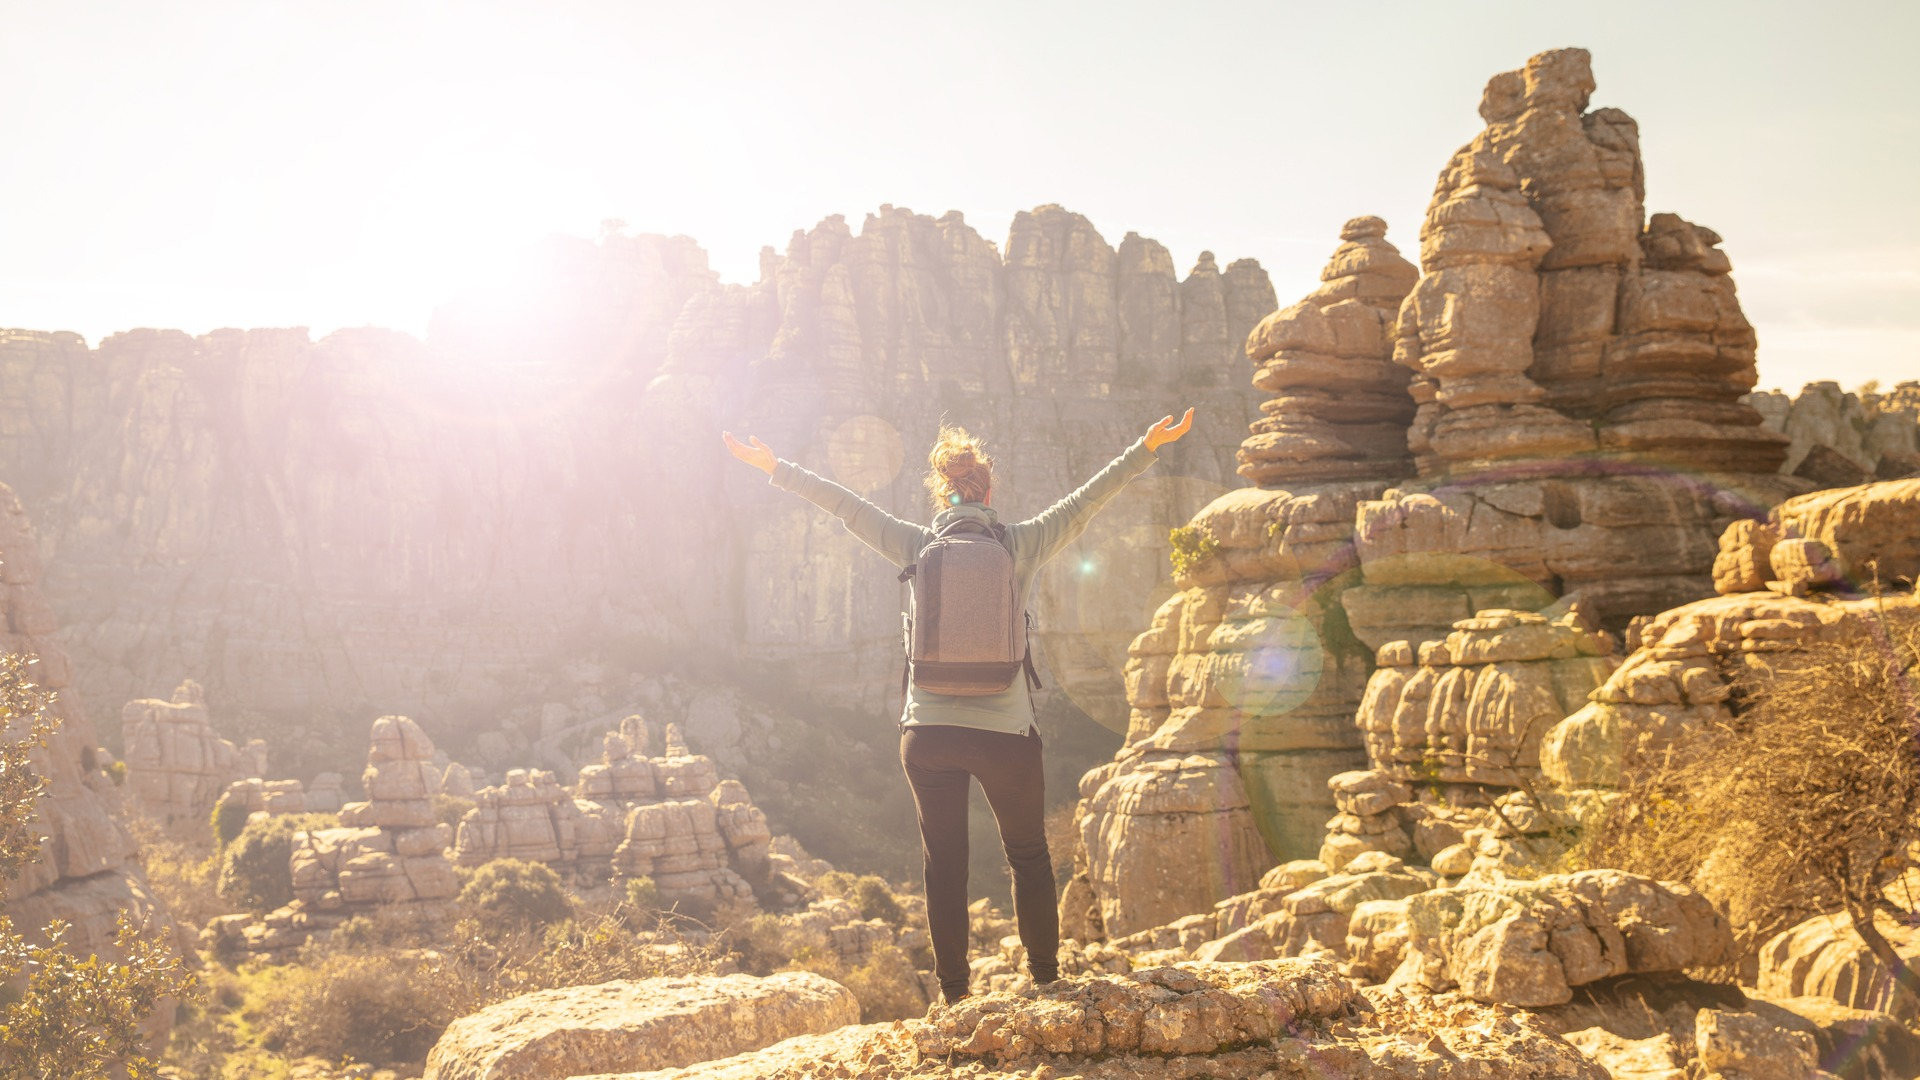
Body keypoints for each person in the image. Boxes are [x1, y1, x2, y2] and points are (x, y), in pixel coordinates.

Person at [721, 408, 1195, 1003]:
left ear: (939, 491)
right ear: (989, 490)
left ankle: (952, 997)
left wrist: (774, 467)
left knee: (944, 863)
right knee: (1028, 855)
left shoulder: (916, 544)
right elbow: (1084, 502)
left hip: (929, 735)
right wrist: (1146, 446)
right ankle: (1047, 983)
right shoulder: (1020, 542)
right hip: (1007, 733)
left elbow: (845, 505)